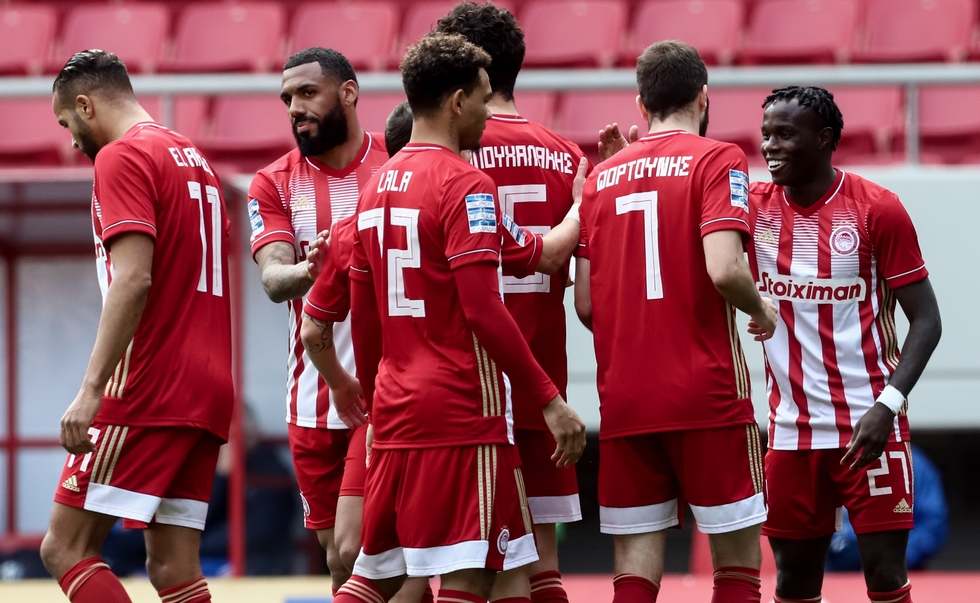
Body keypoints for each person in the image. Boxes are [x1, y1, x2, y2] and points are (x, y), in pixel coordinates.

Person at [331, 32, 586, 603]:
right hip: (462, 410)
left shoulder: (373, 190)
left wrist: (375, 406)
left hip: (395, 408)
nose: (488, 113)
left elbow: (364, 320)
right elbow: (483, 309)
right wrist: (549, 398)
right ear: (457, 101)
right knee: (470, 574)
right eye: (484, 98)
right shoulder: (466, 185)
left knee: (375, 574)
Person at [574, 40, 778, 603]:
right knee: (737, 566)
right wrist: (761, 310)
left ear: (641, 105)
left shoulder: (600, 177)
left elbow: (586, 305)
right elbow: (726, 269)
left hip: (625, 397)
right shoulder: (719, 158)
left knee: (634, 571)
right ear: (703, 97)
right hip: (705, 392)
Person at [40, 50, 233, 603]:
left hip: (148, 384)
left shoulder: (122, 156)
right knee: (174, 568)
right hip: (208, 387)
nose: (71, 142)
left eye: (67, 124)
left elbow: (133, 279)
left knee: (65, 548)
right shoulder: (196, 160)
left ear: (86, 105)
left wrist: (91, 389)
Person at [750, 85, 942, 603]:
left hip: (869, 424)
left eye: (784, 134)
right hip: (790, 432)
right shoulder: (752, 210)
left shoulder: (878, 209)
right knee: (792, 580)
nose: (769, 146)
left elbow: (927, 321)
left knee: (885, 574)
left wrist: (887, 406)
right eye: (766, 134)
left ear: (824, 138)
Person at [435, 4, 590, 602]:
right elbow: (576, 285)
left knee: (462, 562)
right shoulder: (569, 157)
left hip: (467, 383)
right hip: (542, 378)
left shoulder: (446, 151)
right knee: (540, 558)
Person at [247, 46, 388, 594]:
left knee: (362, 549)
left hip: (380, 392)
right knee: (338, 559)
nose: (295, 108)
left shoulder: (396, 164)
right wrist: (308, 271)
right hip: (310, 400)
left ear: (348, 92)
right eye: (287, 98)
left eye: (307, 93)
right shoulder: (274, 182)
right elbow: (272, 278)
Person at [826, 445, 948, 572]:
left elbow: (932, 522)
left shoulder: (913, 462)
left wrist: (900, 556)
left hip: (895, 564)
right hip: (836, 564)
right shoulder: (831, 455)